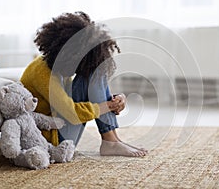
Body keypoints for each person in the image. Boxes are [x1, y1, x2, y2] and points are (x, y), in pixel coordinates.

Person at [20, 11, 147, 157]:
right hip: (50, 139)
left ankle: (114, 140)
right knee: (95, 72)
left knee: (97, 69)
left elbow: (82, 96)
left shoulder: (55, 64)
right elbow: (71, 113)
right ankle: (110, 141)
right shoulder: (42, 72)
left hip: (60, 129)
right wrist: (108, 106)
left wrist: (115, 100)